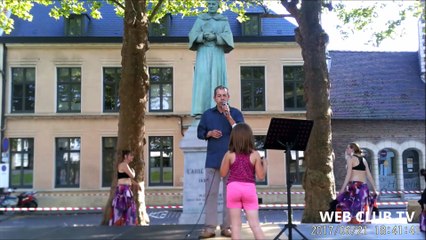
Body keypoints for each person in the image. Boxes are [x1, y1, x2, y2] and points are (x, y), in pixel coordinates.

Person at [197, 85, 244, 238]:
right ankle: (210, 228)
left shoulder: (236, 113)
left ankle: (227, 227)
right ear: (214, 98)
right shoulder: (207, 114)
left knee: (230, 196)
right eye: (219, 96)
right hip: (213, 160)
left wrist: (229, 116)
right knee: (210, 195)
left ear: (228, 97)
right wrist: (209, 133)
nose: (222, 98)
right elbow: (200, 132)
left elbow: (242, 132)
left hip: (232, 161)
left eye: (224, 95)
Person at [220, 123, 267, 240]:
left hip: (233, 188)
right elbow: (261, 176)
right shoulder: (255, 154)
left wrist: (224, 159)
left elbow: (222, 173)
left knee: (235, 226)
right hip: (249, 189)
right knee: (255, 225)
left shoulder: (229, 154)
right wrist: (264, 164)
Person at [189, 0, 234, 116]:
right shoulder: (200, 19)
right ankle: (201, 109)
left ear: (218, 6)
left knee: (216, 78)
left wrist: (216, 37)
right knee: (203, 79)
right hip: (203, 52)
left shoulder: (223, 20)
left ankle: (218, 108)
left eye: (214, 4)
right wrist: (202, 36)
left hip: (217, 52)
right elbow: (192, 34)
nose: (211, 6)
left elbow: (228, 36)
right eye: (209, 4)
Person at [337, 142, 378, 224]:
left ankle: (354, 224)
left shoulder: (351, 159)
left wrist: (342, 189)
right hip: (364, 187)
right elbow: (369, 175)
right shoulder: (364, 160)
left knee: (344, 203)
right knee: (360, 207)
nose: (346, 149)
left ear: (352, 149)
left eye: (348, 148)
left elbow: (348, 175)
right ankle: (358, 224)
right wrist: (374, 189)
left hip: (355, 187)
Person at [109, 150, 138, 226]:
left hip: (126, 190)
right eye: (130, 155)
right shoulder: (123, 165)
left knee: (127, 208)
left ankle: (126, 224)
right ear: (125, 156)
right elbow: (132, 175)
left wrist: (136, 184)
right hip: (123, 191)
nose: (132, 157)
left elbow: (128, 178)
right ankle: (122, 224)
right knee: (122, 208)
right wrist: (133, 172)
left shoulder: (125, 166)